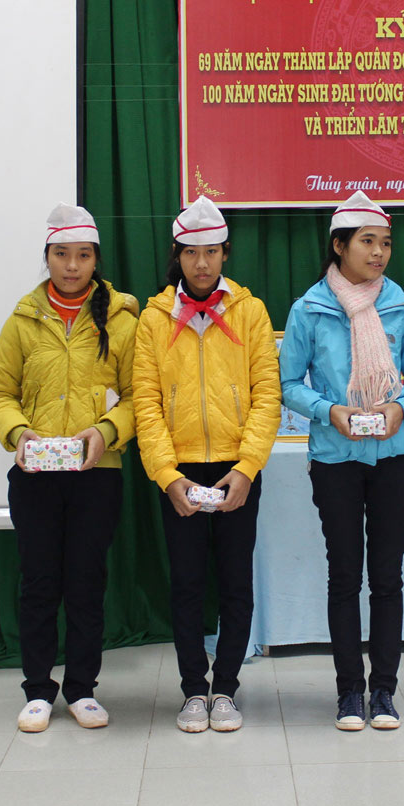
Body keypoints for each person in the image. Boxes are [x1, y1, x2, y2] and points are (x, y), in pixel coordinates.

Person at [279, 191, 404, 732]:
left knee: (387, 577)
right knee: (344, 577)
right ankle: (349, 692)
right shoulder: (309, 309)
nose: (379, 253)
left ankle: (384, 690)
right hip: (335, 460)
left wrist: (400, 407)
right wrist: (330, 411)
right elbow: (288, 383)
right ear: (339, 246)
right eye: (367, 242)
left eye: (385, 243)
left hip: (394, 458)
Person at [0, 203, 139, 732]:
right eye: (62, 254)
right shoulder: (22, 322)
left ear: (96, 259)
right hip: (36, 479)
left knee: (86, 584)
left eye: (83, 255)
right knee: (39, 584)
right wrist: (18, 434)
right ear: (47, 256)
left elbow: (139, 397)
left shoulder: (122, 320)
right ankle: (37, 690)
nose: (72, 266)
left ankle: (82, 689)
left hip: (98, 476)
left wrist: (106, 431)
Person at [133, 196, 281, 733]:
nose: (202, 263)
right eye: (192, 253)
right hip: (181, 473)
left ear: (225, 253)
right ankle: (194, 689)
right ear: (177, 255)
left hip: (236, 470)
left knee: (236, 583)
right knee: (188, 585)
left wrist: (247, 467)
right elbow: (146, 402)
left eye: (212, 252)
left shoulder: (251, 311)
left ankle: (227, 690)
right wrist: (167, 477)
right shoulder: (153, 318)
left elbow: (267, 395)